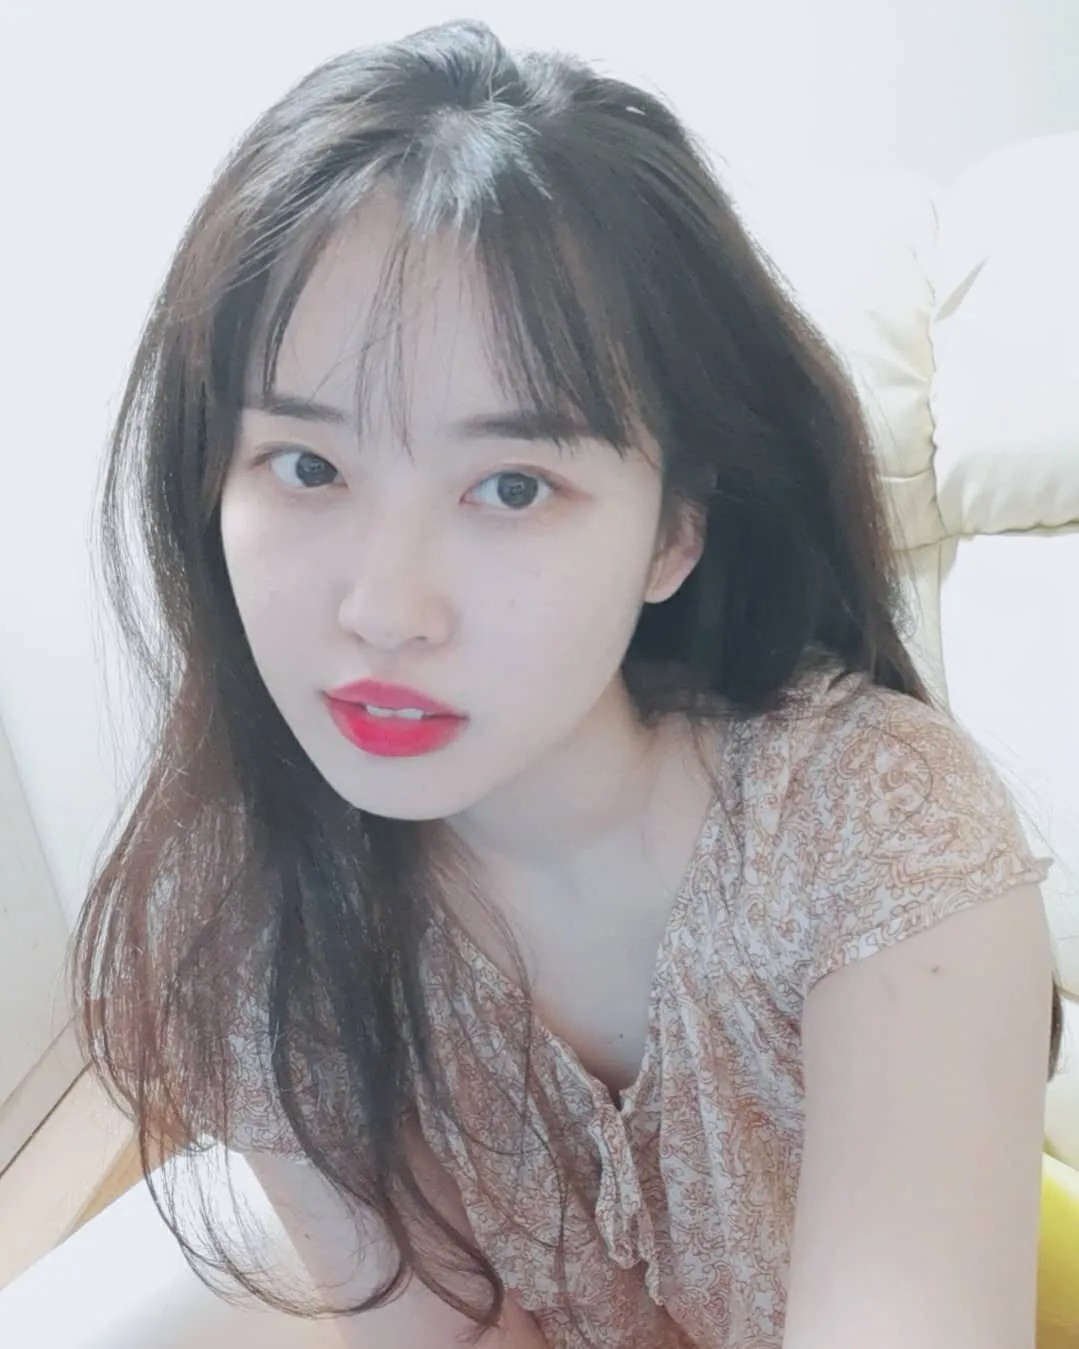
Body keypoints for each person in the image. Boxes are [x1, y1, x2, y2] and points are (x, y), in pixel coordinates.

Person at [72, 19, 1064, 1348]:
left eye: (512, 486)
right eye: (308, 467)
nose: (383, 610)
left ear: (674, 530)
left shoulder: (871, 834)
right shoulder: (251, 914)